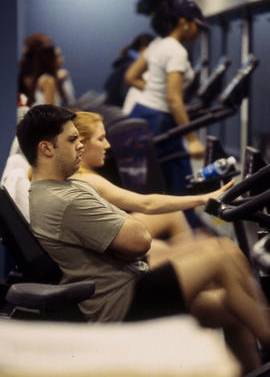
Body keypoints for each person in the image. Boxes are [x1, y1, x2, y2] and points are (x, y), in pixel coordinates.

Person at [16, 105, 270, 374]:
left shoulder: (67, 186)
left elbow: (134, 227)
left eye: (79, 138)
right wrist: (126, 240)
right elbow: (139, 242)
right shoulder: (65, 200)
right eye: (71, 140)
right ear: (46, 149)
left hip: (126, 283)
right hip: (119, 304)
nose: (80, 145)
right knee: (222, 252)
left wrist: (202, 199)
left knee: (236, 310)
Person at [72, 110, 232, 250]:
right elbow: (146, 204)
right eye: (101, 139)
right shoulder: (88, 179)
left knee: (169, 238)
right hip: (105, 249)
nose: (107, 145)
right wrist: (202, 198)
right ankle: (191, 258)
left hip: (105, 238)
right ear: (82, 144)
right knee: (211, 247)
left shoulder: (80, 174)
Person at [124, 0, 207, 203]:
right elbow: (174, 99)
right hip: (159, 120)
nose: (198, 31)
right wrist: (193, 141)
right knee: (180, 183)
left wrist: (153, 89)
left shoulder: (157, 45)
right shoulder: (176, 51)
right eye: (196, 24)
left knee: (150, 183)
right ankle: (184, 230)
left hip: (141, 113)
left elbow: (131, 77)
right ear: (183, 22)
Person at [104, 33, 154, 108]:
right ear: (144, 49)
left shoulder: (125, 60)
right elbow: (124, 95)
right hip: (118, 111)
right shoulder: (131, 66)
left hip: (110, 107)